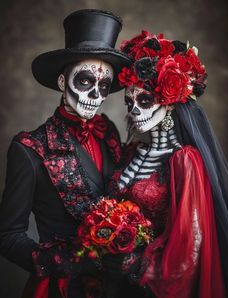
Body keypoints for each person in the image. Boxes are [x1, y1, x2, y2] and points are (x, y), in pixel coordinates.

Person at [0, 9, 131, 298]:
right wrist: (65, 263)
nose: (96, 95)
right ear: (62, 82)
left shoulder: (108, 133)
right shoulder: (29, 149)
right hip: (60, 288)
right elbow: (7, 237)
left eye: (104, 85)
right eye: (85, 81)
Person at [107, 30, 228, 298]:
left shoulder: (184, 160)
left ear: (170, 102)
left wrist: (132, 263)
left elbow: (189, 248)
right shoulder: (132, 151)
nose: (134, 111)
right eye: (129, 101)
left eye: (144, 100)